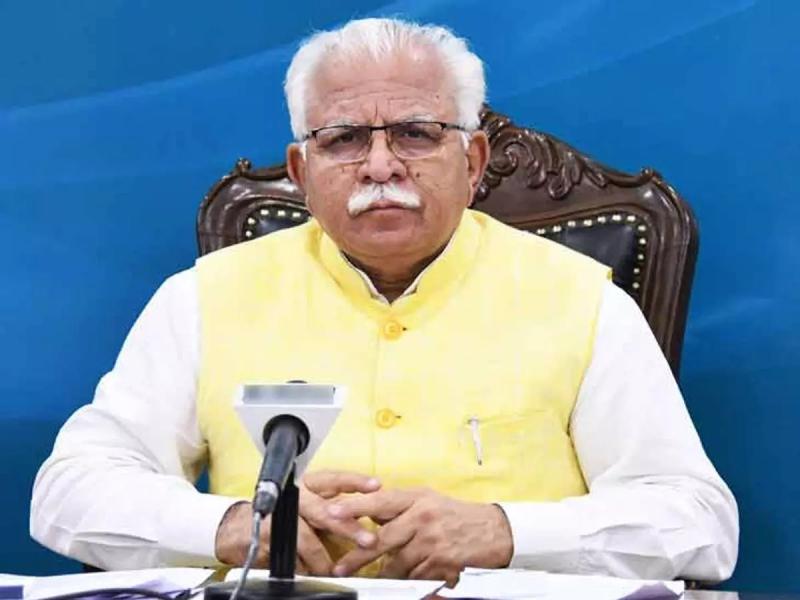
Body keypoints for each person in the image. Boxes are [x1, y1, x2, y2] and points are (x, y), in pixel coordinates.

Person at [30, 18, 738, 585]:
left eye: (415, 133)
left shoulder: (581, 300)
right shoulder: (201, 298)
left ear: (473, 162)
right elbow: (70, 489)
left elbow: (700, 523)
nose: (379, 166)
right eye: (343, 139)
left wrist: (505, 532)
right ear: (303, 171)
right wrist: (229, 526)